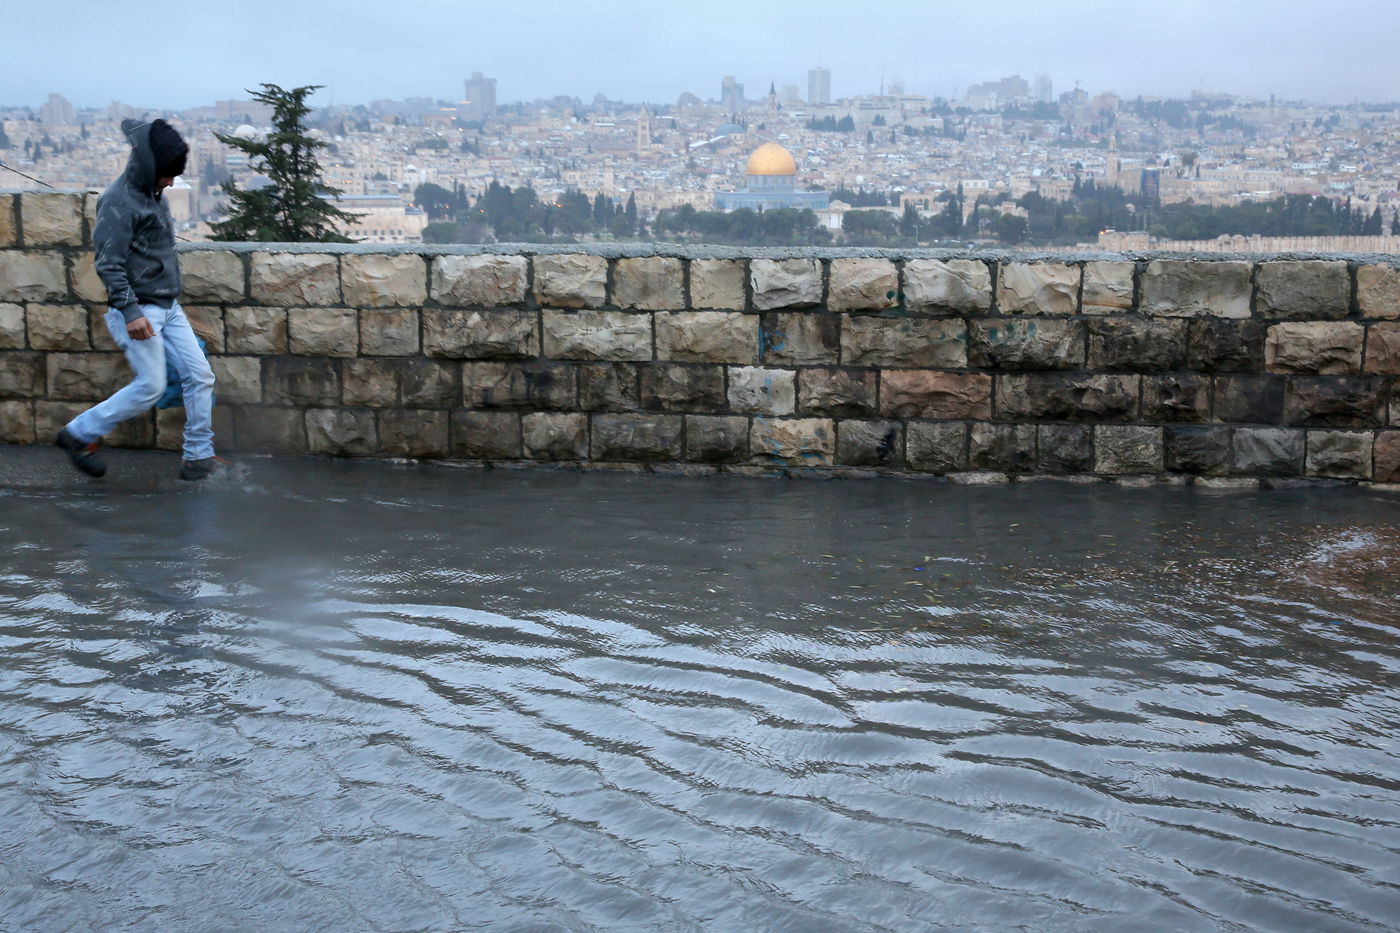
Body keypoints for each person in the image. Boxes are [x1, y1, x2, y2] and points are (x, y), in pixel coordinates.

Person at [54, 118, 220, 481]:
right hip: (138, 310)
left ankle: (198, 456)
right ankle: (77, 434)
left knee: (200, 375)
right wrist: (130, 311)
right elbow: (108, 263)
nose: (172, 182)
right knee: (150, 387)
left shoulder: (152, 193)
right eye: (167, 175)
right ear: (149, 167)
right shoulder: (118, 201)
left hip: (167, 307)